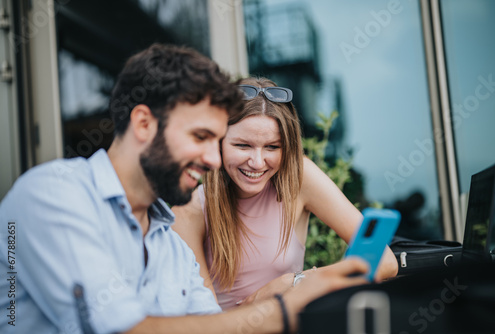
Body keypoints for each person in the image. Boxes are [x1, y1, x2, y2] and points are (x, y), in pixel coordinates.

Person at [0, 44, 369, 334]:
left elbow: (212, 325)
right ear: (144, 123)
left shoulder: (170, 244)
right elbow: (120, 329)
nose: (213, 159)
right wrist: (285, 309)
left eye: (217, 141)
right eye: (201, 137)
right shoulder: (52, 196)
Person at [172, 77, 399, 310]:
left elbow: (384, 262)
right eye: (242, 146)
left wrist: (293, 282)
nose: (257, 162)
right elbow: (206, 320)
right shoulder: (191, 205)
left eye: (272, 147)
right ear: (217, 142)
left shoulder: (300, 179)